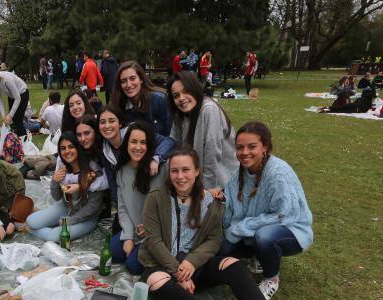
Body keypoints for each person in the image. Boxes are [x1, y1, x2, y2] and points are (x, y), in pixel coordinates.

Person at [139, 148, 310, 300]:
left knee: (233, 264)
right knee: (155, 283)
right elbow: (153, 240)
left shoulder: (211, 202)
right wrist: (177, 271)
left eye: (186, 170)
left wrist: (190, 264)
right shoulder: (156, 198)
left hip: (196, 266)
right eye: (175, 171)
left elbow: (213, 240)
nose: (180, 176)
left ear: (197, 171)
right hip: (162, 265)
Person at [216, 122, 313, 300]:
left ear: (265, 147)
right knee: (223, 251)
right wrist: (220, 199)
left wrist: (239, 228)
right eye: (239, 147)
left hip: (291, 229)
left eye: (252, 147)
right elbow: (231, 202)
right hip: (252, 226)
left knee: (265, 237)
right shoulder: (241, 171)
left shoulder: (278, 172)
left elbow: (284, 214)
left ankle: (271, 279)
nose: (244, 152)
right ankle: (257, 254)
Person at [26, 132, 108, 242]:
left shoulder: (92, 169)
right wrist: (55, 181)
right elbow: (57, 197)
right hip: (66, 207)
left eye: (71, 147)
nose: (67, 151)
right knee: (31, 221)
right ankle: (35, 227)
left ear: (78, 148)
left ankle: (31, 230)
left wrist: (70, 220)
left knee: (55, 236)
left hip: (87, 217)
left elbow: (94, 205)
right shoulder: (64, 168)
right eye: (63, 148)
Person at [112, 121, 166, 275]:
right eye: (133, 142)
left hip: (157, 231)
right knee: (113, 253)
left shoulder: (160, 169)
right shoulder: (121, 171)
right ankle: (135, 245)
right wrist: (128, 237)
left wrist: (151, 228)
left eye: (143, 143)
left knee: (133, 266)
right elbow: (123, 208)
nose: (137, 147)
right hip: (135, 230)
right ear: (126, 143)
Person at [168, 71, 237, 189]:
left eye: (185, 91)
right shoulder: (179, 115)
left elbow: (212, 154)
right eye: (176, 95)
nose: (181, 98)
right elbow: (173, 144)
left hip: (220, 185)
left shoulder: (208, 110)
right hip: (193, 181)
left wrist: (205, 192)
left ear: (194, 89)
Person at [111, 60, 171, 136]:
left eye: (132, 78)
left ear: (141, 79)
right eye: (123, 81)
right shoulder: (119, 106)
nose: (128, 85)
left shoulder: (159, 100)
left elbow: (169, 136)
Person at [0, 65, 30, 136]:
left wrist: (10, 115)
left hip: (22, 93)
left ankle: (24, 142)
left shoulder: (7, 79)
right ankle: (15, 140)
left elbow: (17, 98)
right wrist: (4, 116)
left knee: (17, 120)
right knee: (12, 121)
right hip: (11, 96)